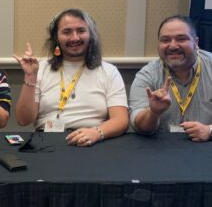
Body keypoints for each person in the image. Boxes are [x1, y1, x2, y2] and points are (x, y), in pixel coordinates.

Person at [129, 15, 212, 141]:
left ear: (196, 42)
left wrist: (210, 131)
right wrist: (153, 113)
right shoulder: (147, 75)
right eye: (165, 40)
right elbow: (138, 126)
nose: (173, 46)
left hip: (211, 150)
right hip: (162, 150)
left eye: (181, 39)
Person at [13, 8, 129, 146]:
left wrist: (97, 132)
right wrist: (30, 77)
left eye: (81, 31)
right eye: (67, 32)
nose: (75, 38)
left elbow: (121, 119)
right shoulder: (41, 69)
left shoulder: (109, 71)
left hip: (93, 142)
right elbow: (23, 120)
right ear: (56, 37)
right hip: (47, 143)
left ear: (90, 35)